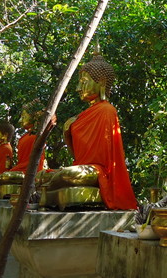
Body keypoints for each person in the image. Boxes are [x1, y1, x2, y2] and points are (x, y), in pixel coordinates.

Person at [44, 49, 137, 210]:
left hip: (99, 171)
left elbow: (108, 158)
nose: (78, 88)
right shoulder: (81, 116)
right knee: (42, 175)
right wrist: (67, 132)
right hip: (83, 168)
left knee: (68, 174)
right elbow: (77, 156)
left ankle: (53, 183)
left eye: (84, 81)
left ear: (101, 82)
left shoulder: (107, 111)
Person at [9, 100, 47, 173]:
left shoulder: (38, 135)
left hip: (33, 171)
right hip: (20, 170)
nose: (20, 120)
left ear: (35, 116)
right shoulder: (23, 138)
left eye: (23, 116)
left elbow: (36, 162)